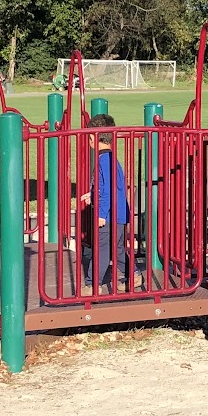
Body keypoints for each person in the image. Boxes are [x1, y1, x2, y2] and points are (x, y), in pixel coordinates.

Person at [80, 114, 132, 292]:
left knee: (102, 248)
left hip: (110, 214)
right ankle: (134, 276)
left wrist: (101, 213)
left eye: (89, 137)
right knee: (116, 250)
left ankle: (92, 284)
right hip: (118, 212)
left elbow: (108, 190)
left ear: (94, 138)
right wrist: (92, 195)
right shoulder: (110, 159)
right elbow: (107, 187)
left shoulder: (104, 160)